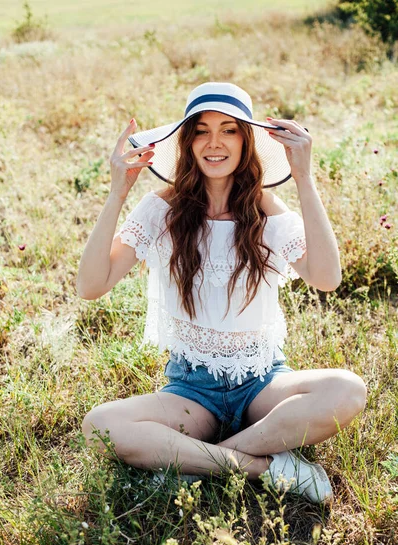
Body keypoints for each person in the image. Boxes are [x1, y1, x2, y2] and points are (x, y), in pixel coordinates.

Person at [77, 82, 367, 504]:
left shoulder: (265, 209)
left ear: (245, 140)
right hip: (192, 392)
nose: (215, 142)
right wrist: (117, 193)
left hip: (262, 385)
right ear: (187, 141)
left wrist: (304, 176)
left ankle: (195, 462)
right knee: (99, 426)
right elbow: (90, 286)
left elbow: (327, 278)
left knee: (348, 390)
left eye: (229, 130)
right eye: (202, 130)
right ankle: (264, 466)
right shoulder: (162, 209)